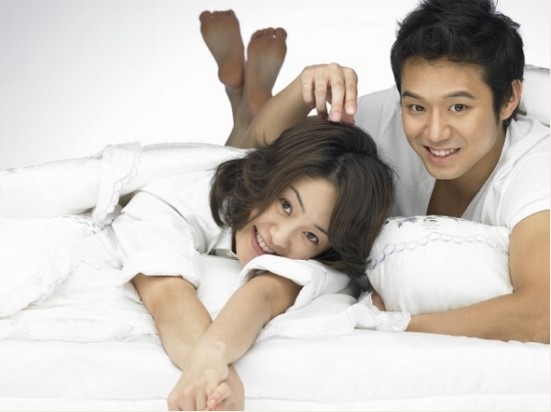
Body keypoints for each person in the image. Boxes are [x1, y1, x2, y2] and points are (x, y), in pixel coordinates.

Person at [115, 10, 394, 411]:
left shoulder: (320, 262)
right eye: (286, 205)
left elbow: (264, 295)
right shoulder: (175, 199)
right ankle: (253, 100)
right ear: (270, 181)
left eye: (310, 235)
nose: (279, 237)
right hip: (230, 177)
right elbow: (166, 293)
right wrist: (215, 375)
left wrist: (216, 369)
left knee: (253, 147)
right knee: (245, 151)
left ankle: (247, 101)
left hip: (259, 167)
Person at [236, 0, 550, 344]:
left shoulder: (535, 168)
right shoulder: (384, 117)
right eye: (416, 107)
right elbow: (253, 161)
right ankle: (250, 102)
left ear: (508, 99)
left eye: (458, 107)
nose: (435, 133)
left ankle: (250, 100)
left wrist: (395, 325)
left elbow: (542, 314)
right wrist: (301, 90)